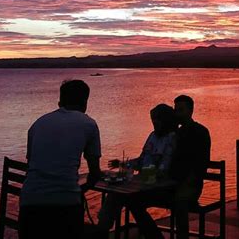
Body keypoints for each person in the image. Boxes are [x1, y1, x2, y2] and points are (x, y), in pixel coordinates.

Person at [19, 80, 102, 239]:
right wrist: (81, 191)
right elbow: (95, 174)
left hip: (30, 201)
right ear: (85, 102)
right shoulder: (89, 124)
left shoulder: (38, 123)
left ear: (60, 101)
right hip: (66, 204)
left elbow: (31, 165)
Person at [97, 104, 176, 239]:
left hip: (160, 188)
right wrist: (122, 164)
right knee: (117, 194)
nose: (154, 123)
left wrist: (146, 174)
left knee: (126, 199)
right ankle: (102, 229)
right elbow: (141, 160)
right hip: (143, 185)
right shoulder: (152, 136)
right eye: (153, 121)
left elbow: (164, 170)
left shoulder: (172, 139)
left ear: (165, 120)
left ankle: (102, 231)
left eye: (157, 120)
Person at [170, 95, 211, 239]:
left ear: (190, 111)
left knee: (180, 201)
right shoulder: (176, 133)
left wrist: (188, 182)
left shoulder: (201, 132)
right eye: (176, 110)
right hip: (174, 182)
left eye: (180, 110)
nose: (177, 114)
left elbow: (201, 164)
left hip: (191, 185)